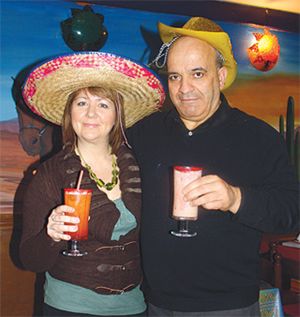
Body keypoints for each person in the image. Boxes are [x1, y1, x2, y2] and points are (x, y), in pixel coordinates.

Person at [126, 17, 299, 316]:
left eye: (197, 74)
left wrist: (237, 198)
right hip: (153, 304)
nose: (184, 89)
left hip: (228, 307)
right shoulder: (144, 132)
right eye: (175, 76)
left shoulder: (258, 137)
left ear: (220, 77)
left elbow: (292, 213)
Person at [19, 52, 165, 317]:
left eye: (103, 105)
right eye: (82, 102)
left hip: (134, 306)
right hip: (69, 307)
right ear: (69, 112)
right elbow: (30, 260)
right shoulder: (49, 174)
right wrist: (50, 235)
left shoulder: (140, 166)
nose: (91, 114)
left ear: (117, 115)